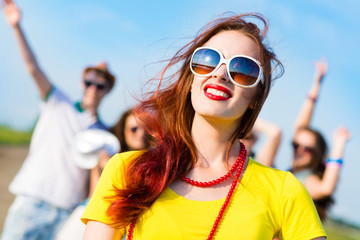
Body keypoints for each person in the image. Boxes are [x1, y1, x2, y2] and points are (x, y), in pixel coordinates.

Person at [81, 13, 326, 239]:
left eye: (242, 69)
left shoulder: (284, 190)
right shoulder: (126, 170)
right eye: (208, 60)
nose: (219, 74)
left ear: (255, 97)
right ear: (191, 80)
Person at [1, 1, 115, 239]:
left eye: (100, 84)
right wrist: (16, 26)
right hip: (33, 202)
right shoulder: (57, 102)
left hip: (67, 213)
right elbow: (33, 68)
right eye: (89, 82)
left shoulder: (105, 134)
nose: (93, 88)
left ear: (107, 90)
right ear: (81, 83)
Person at [55, 108, 148, 240]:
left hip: (130, 216)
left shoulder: (154, 163)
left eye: (146, 128)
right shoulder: (108, 154)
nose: (141, 133)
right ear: (124, 130)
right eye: (134, 129)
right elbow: (94, 193)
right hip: (99, 211)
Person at [290, 58, 351, 221]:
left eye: (307, 149)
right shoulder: (292, 173)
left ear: (317, 155)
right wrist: (317, 83)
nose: (299, 151)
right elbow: (301, 127)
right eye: (296, 145)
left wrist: (339, 144)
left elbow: (326, 188)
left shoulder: (307, 181)